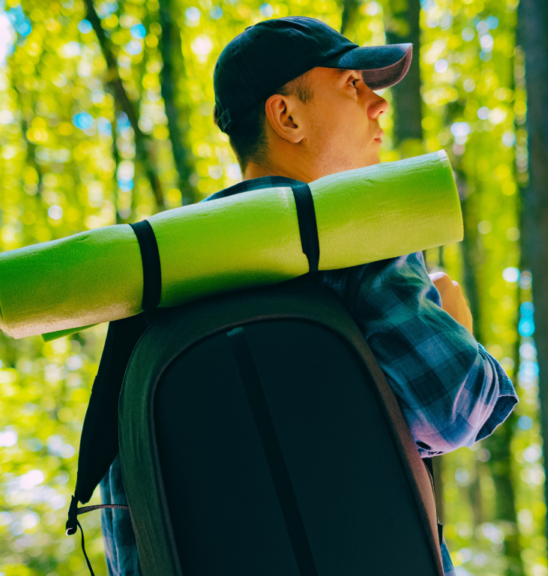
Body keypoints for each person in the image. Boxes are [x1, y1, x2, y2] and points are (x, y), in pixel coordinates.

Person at [98, 16, 519, 576]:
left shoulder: (148, 290)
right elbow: (450, 409)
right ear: (287, 116)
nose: (378, 104)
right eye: (352, 84)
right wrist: (457, 324)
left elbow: (130, 541)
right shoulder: (359, 240)